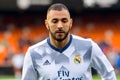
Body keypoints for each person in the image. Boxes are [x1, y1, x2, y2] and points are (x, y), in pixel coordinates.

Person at [22, 3, 116, 80]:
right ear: (47, 24)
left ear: (70, 23)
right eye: (54, 21)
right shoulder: (34, 53)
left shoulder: (88, 47)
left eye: (64, 20)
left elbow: (109, 74)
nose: (60, 25)